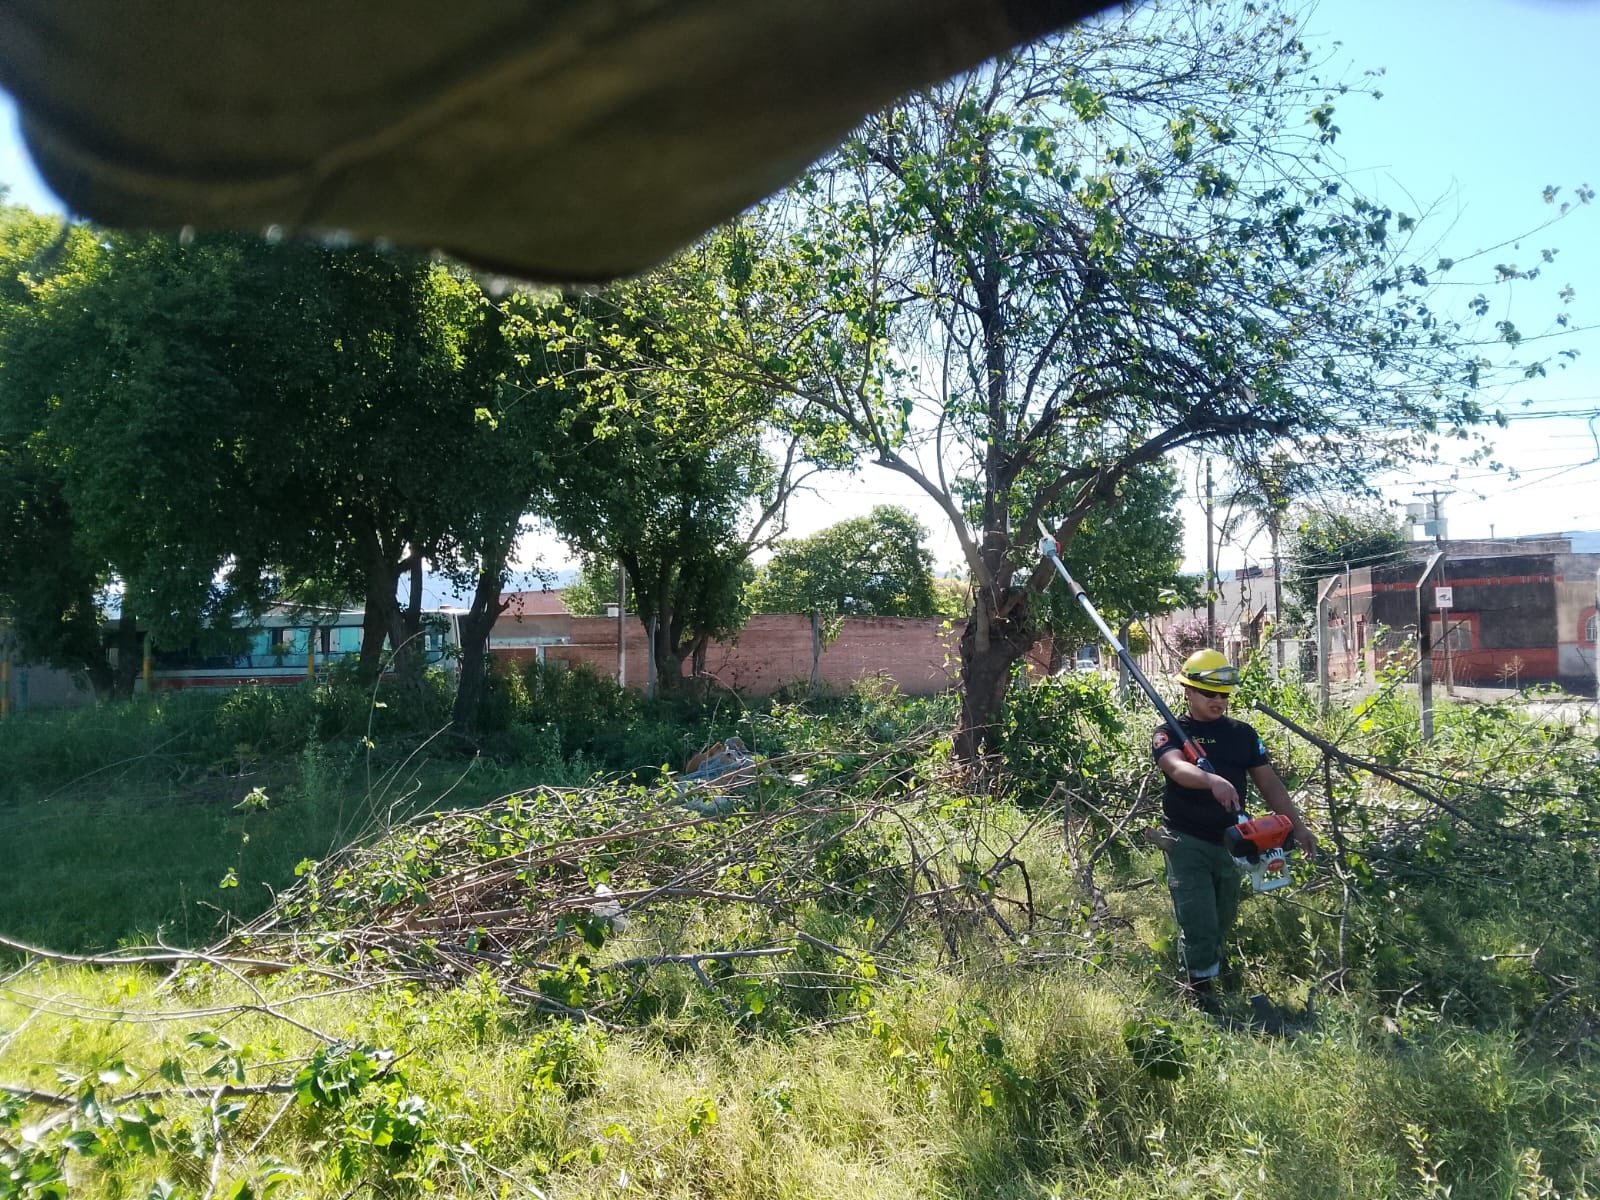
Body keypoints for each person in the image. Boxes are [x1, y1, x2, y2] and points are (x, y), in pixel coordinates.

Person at [1151, 648, 1318, 1007]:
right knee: (1198, 918)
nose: (1218, 701)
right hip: (1186, 840)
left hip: (1232, 842)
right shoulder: (1169, 734)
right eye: (1208, 693)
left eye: (1223, 694)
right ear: (1188, 691)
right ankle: (1200, 995)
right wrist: (1212, 781)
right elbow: (1176, 768)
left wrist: (1298, 827)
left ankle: (1215, 973)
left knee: (1223, 916)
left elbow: (1269, 783)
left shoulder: (1242, 734)